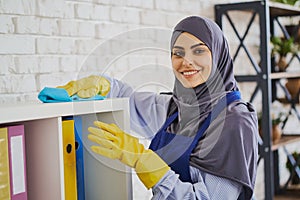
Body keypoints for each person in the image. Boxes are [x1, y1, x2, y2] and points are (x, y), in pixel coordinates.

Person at [71, 16, 259, 199]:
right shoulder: (176, 109)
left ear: (218, 55)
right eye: (178, 53)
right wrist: (103, 85)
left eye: (199, 51)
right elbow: (129, 101)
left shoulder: (234, 122)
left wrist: (146, 164)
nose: (186, 61)